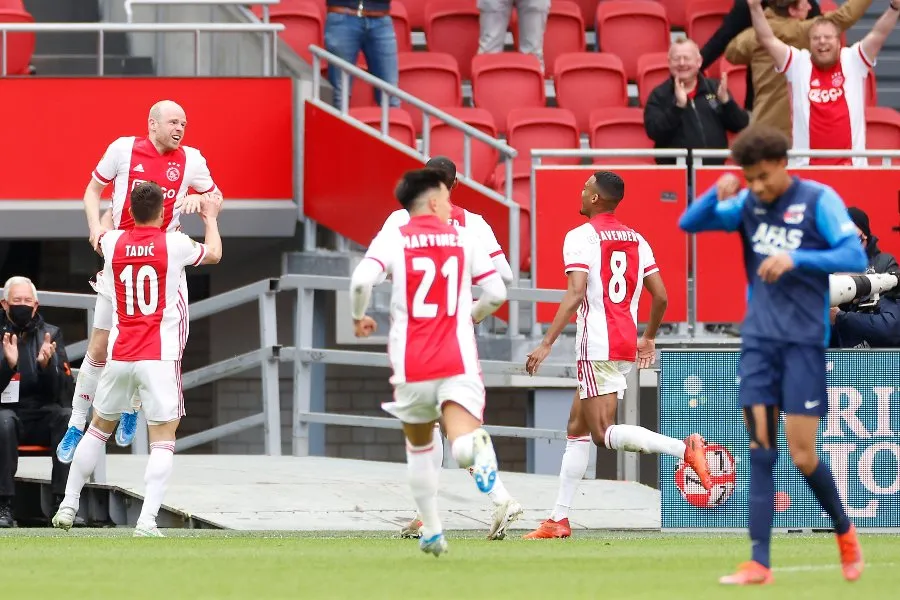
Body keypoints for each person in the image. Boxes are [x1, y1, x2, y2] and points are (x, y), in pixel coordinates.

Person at [678, 124, 866, 584]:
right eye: (749, 178)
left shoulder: (819, 199)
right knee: (761, 450)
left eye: (763, 177)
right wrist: (713, 192)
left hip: (803, 346)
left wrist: (797, 259)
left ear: (783, 164)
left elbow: (854, 257)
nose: (756, 187)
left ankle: (845, 532)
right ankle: (759, 561)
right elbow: (689, 223)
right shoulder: (747, 203)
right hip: (759, 345)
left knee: (803, 455)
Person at [521, 171, 712, 540]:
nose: (581, 192)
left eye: (585, 187)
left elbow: (575, 293)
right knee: (576, 429)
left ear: (594, 198)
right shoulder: (636, 239)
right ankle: (558, 520)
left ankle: (683, 449)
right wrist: (649, 337)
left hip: (595, 344)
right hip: (624, 340)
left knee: (601, 432)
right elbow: (661, 296)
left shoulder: (580, 237)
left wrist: (547, 342)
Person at [349, 168, 508, 556]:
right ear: (435, 201)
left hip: (411, 360)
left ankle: (433, 530)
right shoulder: (464, 238)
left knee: (420, 447)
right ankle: (474, 452)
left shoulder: (394, 237)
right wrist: (469, 314)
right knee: (461, 436)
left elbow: (359, 282)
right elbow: (497, 291)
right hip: (455, 353)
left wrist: (358, 316)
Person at [52, 181, 223, 537]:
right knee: (163, 438)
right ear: (163, 213)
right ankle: (146, 521)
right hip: (158, 355)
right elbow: (215, 254)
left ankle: (68, 505)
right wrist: (210, 219)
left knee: (98, 429)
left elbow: (96, 233)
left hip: (121, 351)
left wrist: (103, 210)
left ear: (128, 213)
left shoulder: (113, 243)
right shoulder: (174, 244)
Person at [56, 100, 221, 464]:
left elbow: (216, 195)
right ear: (153, 124)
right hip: (121, 260)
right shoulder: (122, 149)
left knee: (158, 343)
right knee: (99, 347)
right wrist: (96, 227)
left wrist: (199, 198)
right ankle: (75, 421)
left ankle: (133, 404)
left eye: (185, 122)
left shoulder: (191, 159)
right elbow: (92, 191)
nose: (180, 128)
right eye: (174, 122)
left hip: (165, 265)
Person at [380, 156, 521, 541]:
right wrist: (472, 315)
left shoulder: (400, 221)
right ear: (455, 186)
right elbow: (503, 278)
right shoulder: (473, 223)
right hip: (458, 334)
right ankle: (436, 513)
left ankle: (496, 498)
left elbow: (377, 268)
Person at [743, 0, 897, 166]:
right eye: (816, 38)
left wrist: (894, 9)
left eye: (828, 37)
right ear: (809, 42)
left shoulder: (854, 59)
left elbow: (878, 34)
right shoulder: (797, 63)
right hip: (805, 169)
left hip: (851, 169)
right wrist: (754, 7)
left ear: (839, 42)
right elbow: (767, 39)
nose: (822, 41)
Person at [724, 0, 872, 145]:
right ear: (793, 10)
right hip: (789, 134)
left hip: (761, 127)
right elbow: (844, 17)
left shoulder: (752, 36)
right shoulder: (801, 31)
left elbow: (732, 53)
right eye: (804, 3)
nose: (809, 6)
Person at [0, 277, 75, 527]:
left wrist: (47, 366)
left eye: (27, 301)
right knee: (4, 421)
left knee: (66, 417)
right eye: (16, 301)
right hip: (7, 414)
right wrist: (7, 366)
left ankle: (63, 503)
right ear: (4, 304)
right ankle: (4, 506)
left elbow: (63, 390)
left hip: (41, 413)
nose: (22, 305)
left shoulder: (51, 334)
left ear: (36, 305)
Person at [699, 0, 823, 111]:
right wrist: (695, 67)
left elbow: (824, 40)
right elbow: (720, 40)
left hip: (803, 94)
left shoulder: (807, 5)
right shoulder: (747, 6)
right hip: (761, 94)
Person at [644, 38, 749, 166]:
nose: (682, 63)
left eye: (687, 58)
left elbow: (740, 124)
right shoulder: (659, 95)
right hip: (676, 175)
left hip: (714, 173)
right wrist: (677, 107)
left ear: (699, 62)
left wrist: (727, 102)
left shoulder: (715, 89)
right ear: (669, 63)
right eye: (677, 59)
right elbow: (654, 132)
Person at [830, 207, 900, 348]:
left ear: (864, 234)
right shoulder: (829, 269)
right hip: (835, 361)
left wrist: (839, 317)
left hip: (875, 361)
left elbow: (891, 327)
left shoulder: (884, 265)